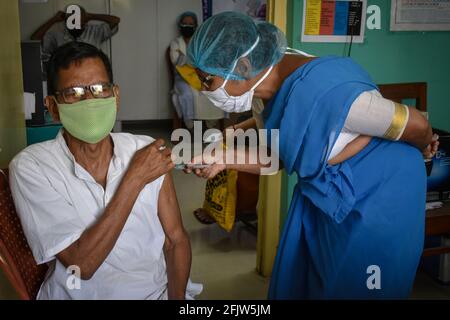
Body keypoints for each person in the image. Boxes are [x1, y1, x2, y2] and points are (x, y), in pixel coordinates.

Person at [185, 11, 439, 299]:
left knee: (362, 284)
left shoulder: (330, 95)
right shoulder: (261, 92)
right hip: (329, 189)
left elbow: (417, 124)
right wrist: (223, 160)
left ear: (242, 65)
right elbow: (279, 155)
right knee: (316, 279)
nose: (204, 90)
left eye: (207, 81)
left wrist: (425, 145)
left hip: (381, 191)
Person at [9, 42, 201, 300]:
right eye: (73, 93)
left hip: (155, 294)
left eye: (100, 89)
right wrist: (134, 178)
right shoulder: (32, 166)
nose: (89, 101)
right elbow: (82, 264)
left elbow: (175, 240)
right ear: (53, 107)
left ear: (116, 96)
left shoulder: (145, 149)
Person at [31, 6, 120, 67]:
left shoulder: (94, 32)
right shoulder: (57, 35)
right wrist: (54, 20)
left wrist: (90, 16)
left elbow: (115, 20)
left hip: (91, 73)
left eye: (80, 22)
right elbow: (34, 39)